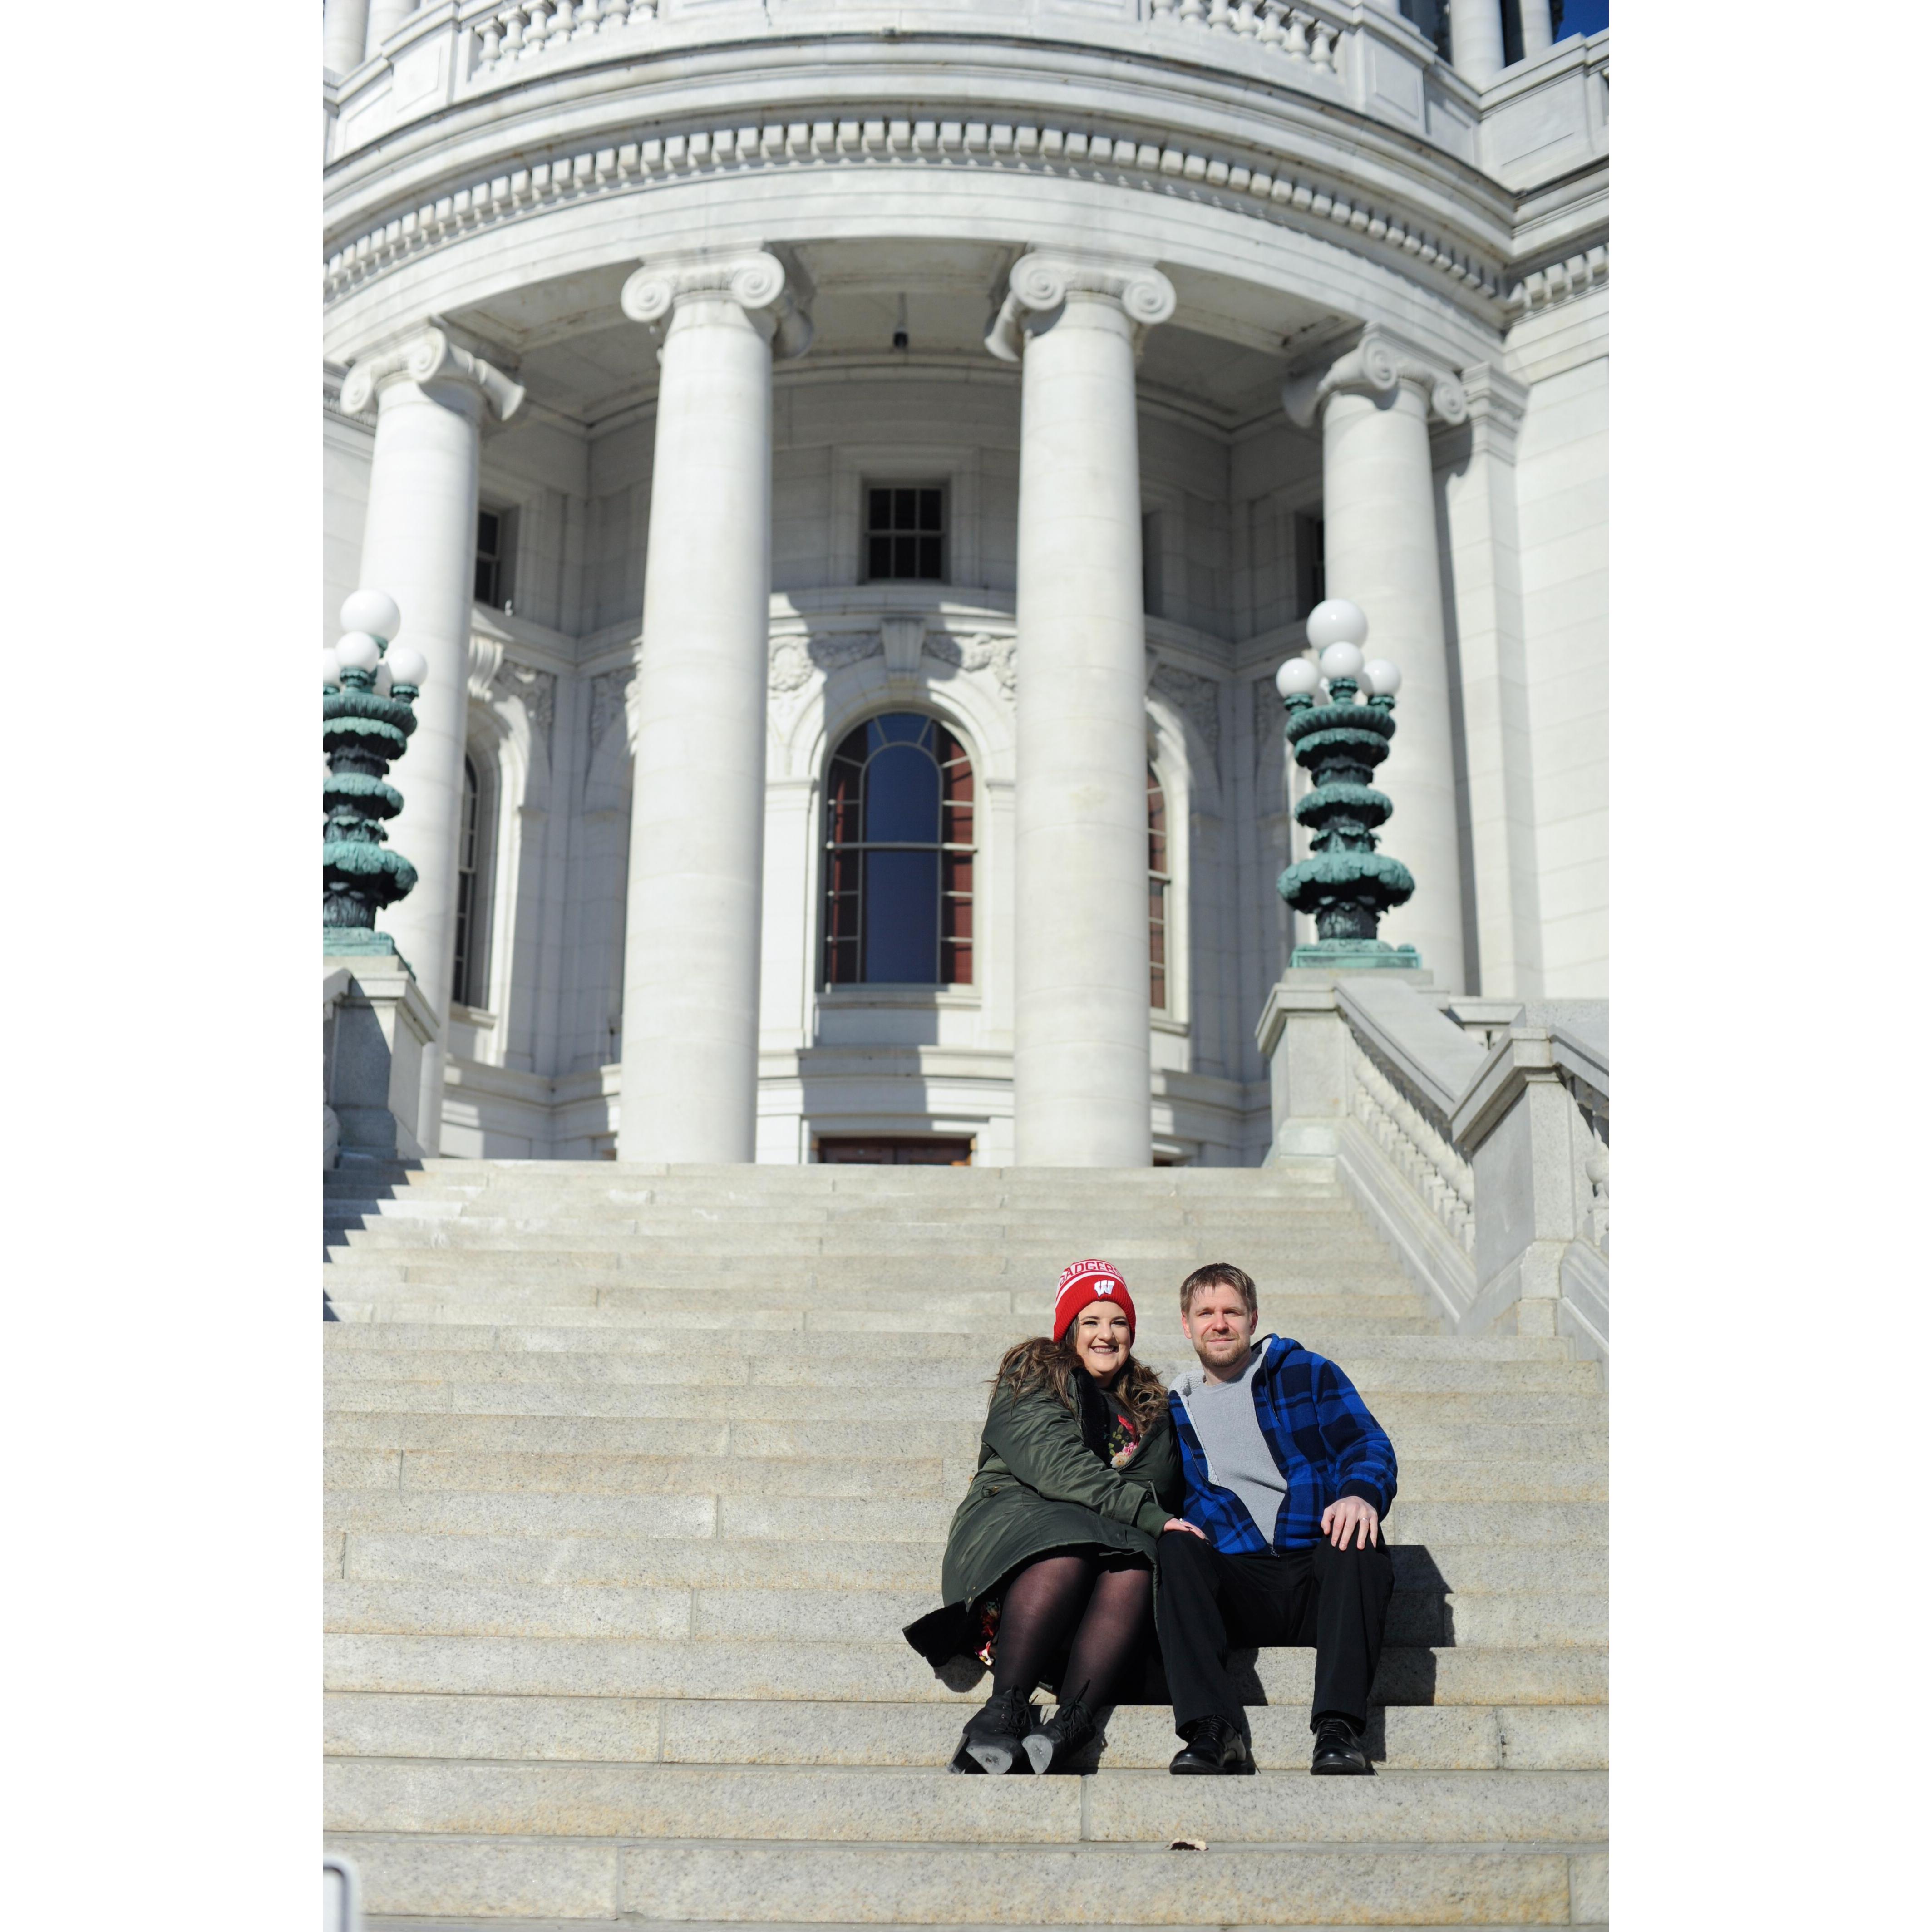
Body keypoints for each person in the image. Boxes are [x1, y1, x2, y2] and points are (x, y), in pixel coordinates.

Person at [902, 1260, 1189, 1774]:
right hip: (1012, 1531)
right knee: (1069, 1539)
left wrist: (1148, 1519)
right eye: (1091, 1320)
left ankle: (1071, 1723)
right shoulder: (1035, 1375)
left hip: (1104, 1548)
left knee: (1138, 1558)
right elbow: (1055, 1465)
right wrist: (1141, 1511)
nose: (1106, 1334)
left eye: (1118, 1321)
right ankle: (1003, 1708)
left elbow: (1163, 1484)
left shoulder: (1150, 1407)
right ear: (1068, 1329)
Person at [1157, 1261, 1398, 1777]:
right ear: (1185, 1324)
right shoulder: (1172, 1406)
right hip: (1236, 1585)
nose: (1218, 1322)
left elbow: (1365, 1442)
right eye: (1205, 1312)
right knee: (1174, 1548)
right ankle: (1211, 1729)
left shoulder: (1304, 1372)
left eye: (1231, 1311)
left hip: (1317, 1572)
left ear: (1252, 1317)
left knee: (1357, 1535)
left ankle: (1338, 1729)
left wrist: (1359, 1493)